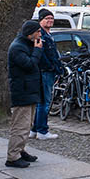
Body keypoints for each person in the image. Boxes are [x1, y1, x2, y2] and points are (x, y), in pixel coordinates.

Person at [5, 20, 44, 168]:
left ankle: (20, 150)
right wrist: (38, 51)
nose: (40, 34)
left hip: (30, 90)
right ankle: (13, 156)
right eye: (38, 32)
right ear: (30, 33)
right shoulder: (17, 48)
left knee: (28, 124)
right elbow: (29, 65)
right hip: (22, 91)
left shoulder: (27, 44)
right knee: (20, 125)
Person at [31, 8, 62, 141]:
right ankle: (42, 130)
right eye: (47, 18)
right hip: (45, 72)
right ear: (41, 20)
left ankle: (34, 129)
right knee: (44, 102)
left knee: (41, 102)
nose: (50, 21)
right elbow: (42, 54)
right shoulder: (41, 35)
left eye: (51, 18)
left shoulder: (48, 34)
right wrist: (51, 67)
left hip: (46, 71)